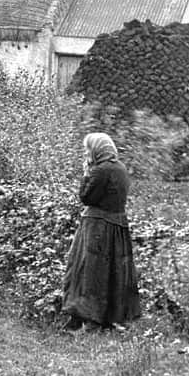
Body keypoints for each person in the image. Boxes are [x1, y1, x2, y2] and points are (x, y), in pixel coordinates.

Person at [62, 132, 141, 331]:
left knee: (86, 271)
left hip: (96, 226)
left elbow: (86, 197)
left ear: (96, 150)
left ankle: (86, 320)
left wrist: (87, 172)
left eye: (88, 149)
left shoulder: (100, 170)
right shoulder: (120, 169)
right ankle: (105, 319)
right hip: (117, 228)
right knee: (110, 272)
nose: (86, 153)